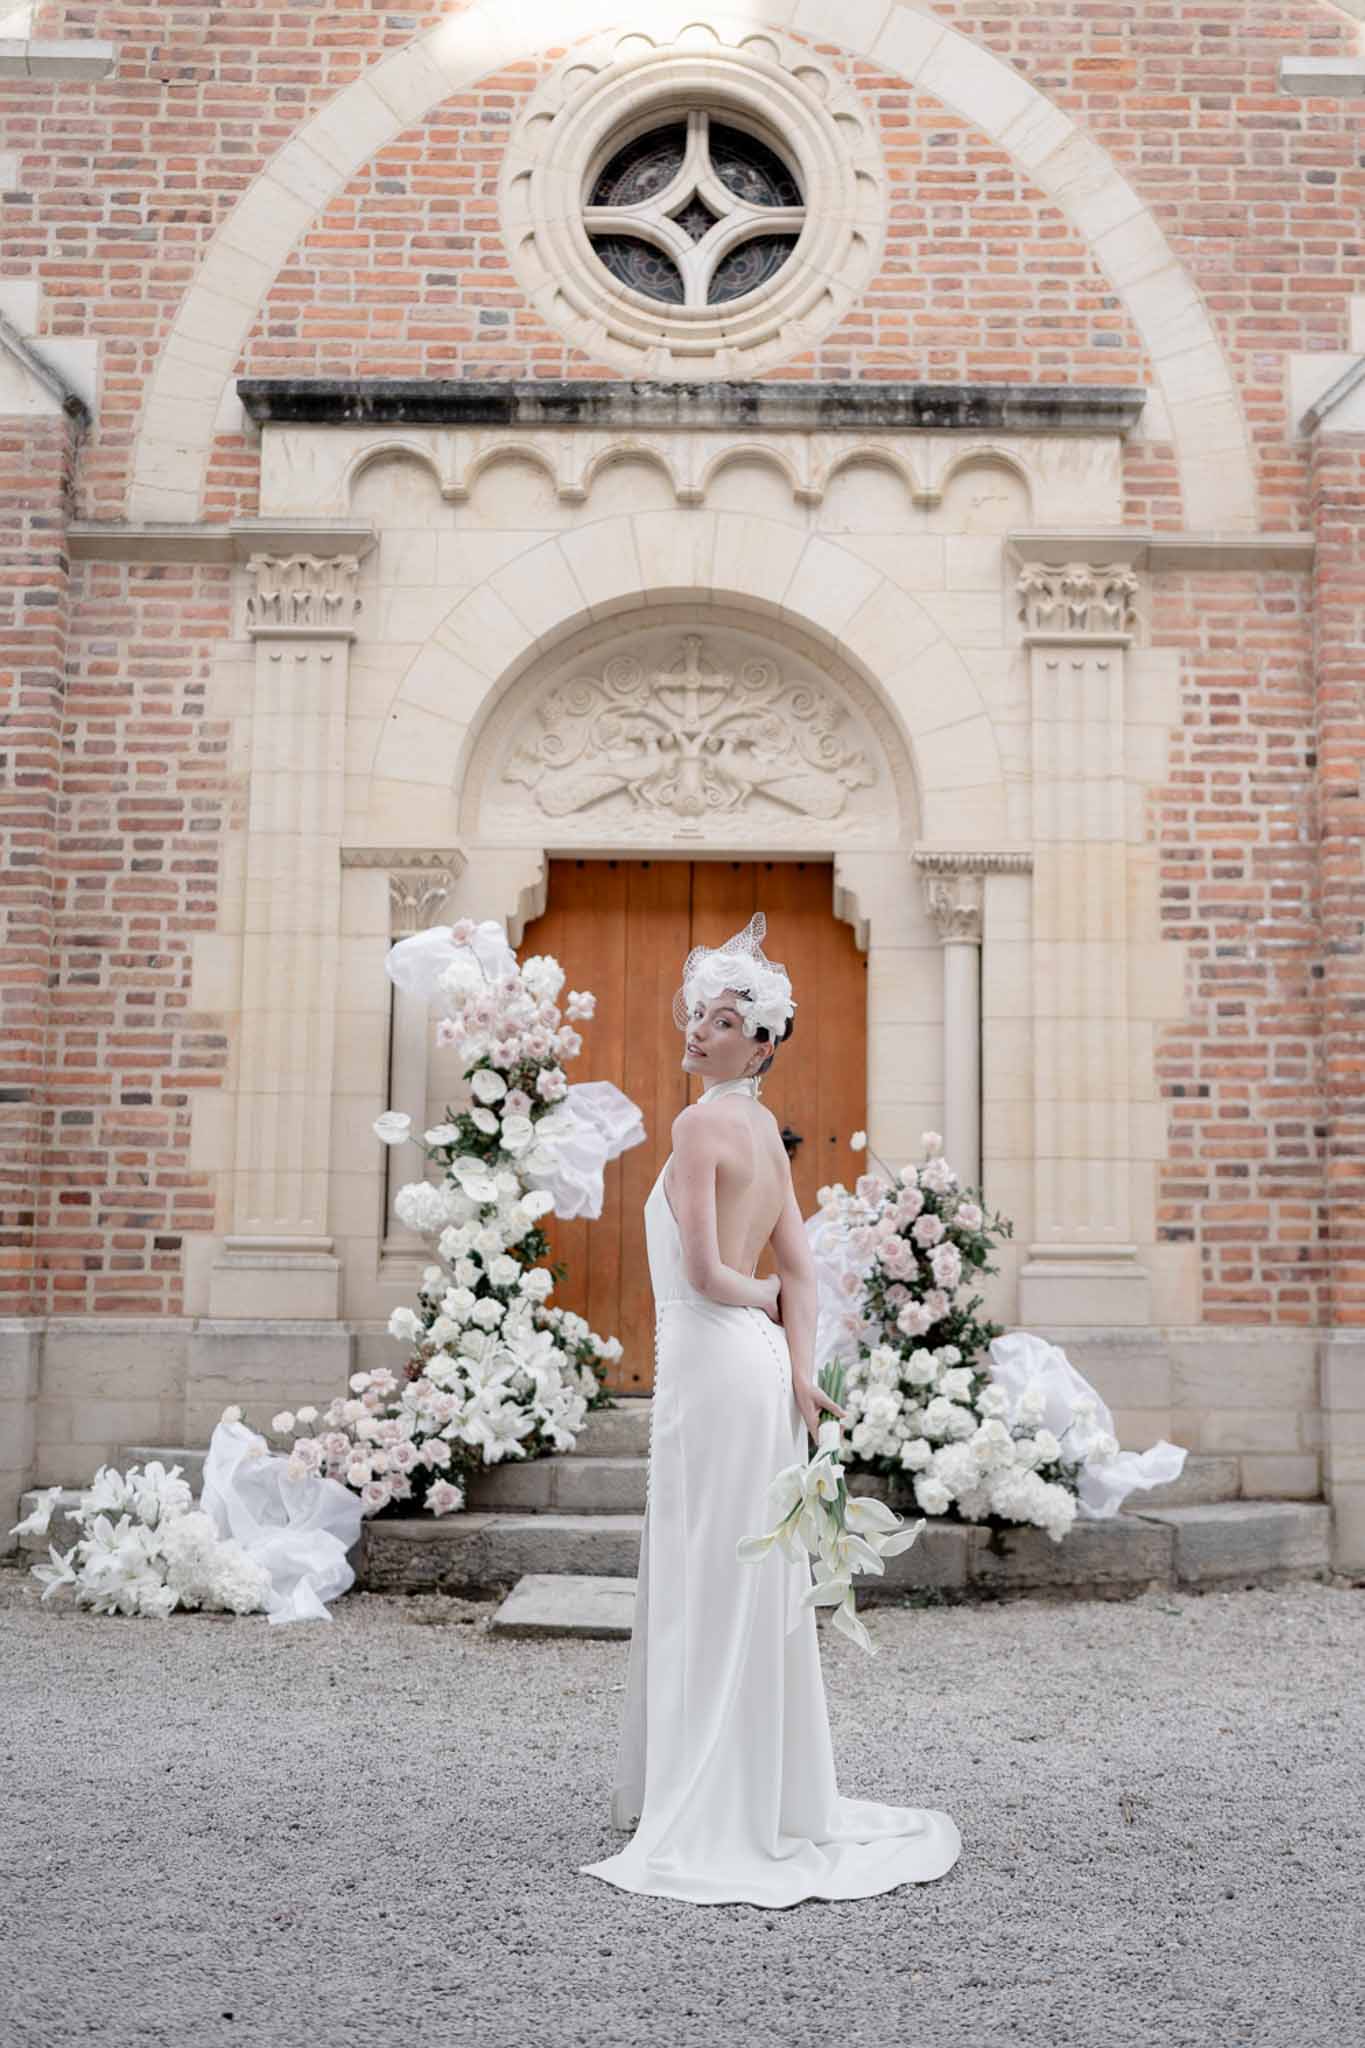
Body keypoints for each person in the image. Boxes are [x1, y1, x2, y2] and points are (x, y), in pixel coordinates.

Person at [578, 911, 962, 1907]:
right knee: (744, 1570)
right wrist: (796, 1365)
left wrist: (756, 1308)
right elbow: (799, 1269)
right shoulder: (759, 1130)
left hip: (712, 1365)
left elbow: (713, 1274)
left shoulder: (701, 1123)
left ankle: (708, 1788)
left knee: (711, 1563)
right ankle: (758, 1785)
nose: (697, 1028)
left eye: (719, 1019)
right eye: (699, 1013)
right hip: (755, 1377)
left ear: (759, 1039)